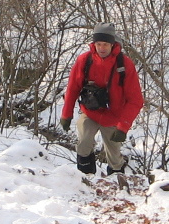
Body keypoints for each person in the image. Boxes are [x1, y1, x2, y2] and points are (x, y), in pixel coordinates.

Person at [60, 22, 144, 175]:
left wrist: (123, 126)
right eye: (98, 44)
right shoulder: (85, 60)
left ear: (112, 44)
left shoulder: (124, 65)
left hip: (113, 116)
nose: (102, 48)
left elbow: (136, 100)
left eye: (105, 44)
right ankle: (86, 179)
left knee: (114, 157)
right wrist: (66, 114)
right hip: (90, 111)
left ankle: (117, 184)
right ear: (94, 44)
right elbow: (73, 88)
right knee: (84, 144)